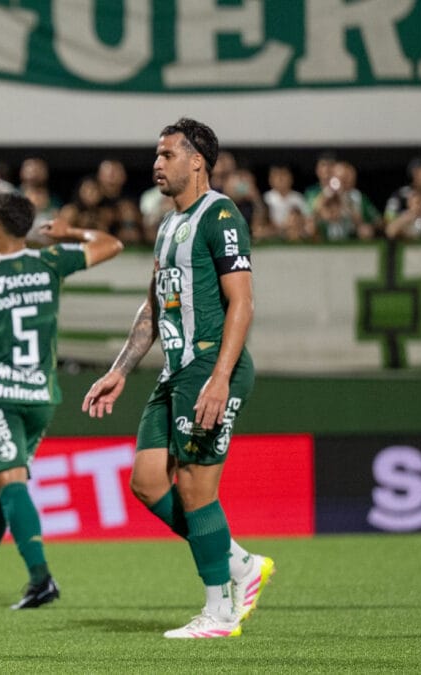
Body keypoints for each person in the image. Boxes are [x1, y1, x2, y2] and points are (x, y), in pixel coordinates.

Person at [82, 118, 274, 639]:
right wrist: (119, 370)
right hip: (175, 371)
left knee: (194, 487)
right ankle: (239, 563)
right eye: (157, 154)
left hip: (210, 366)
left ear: (197, 161)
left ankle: (219, 611)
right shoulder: (169, 225)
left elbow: (242, 302)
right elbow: (153, 308)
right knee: (147, 482)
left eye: (167, 154)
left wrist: (220, 377)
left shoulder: (221, 214)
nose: (157, 164)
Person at [0, 192, 123, 610]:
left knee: (9, 483)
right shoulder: (50, 261)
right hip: (41, 396)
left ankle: (41, 578)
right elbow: (111, 245)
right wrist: (70, 233)